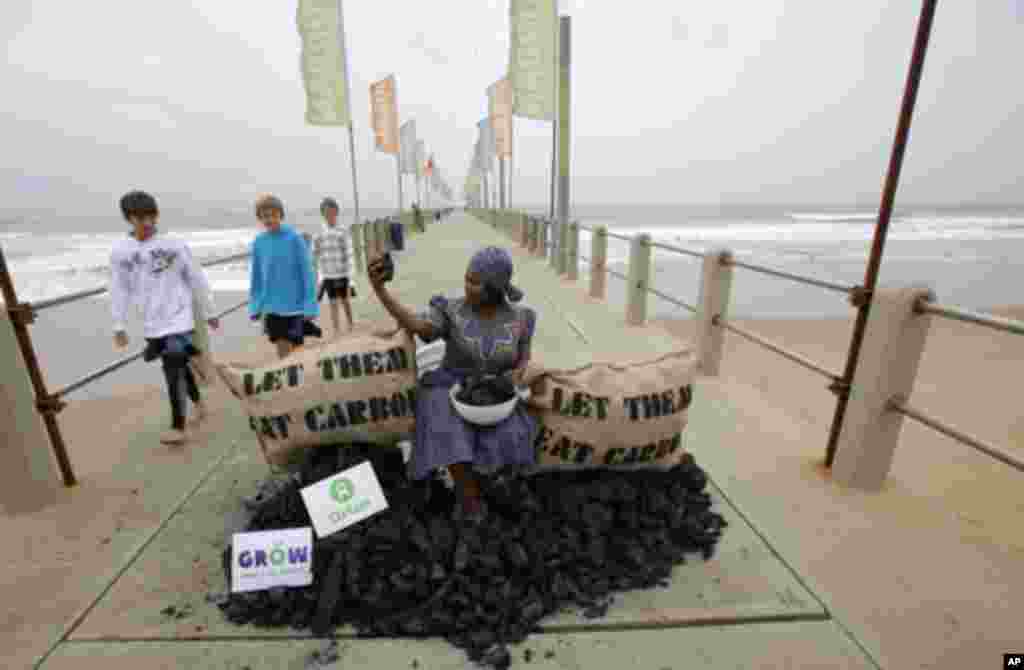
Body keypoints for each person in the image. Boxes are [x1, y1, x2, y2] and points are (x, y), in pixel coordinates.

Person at [367, 246, 538, 522]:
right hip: (450, 383)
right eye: (466, 278)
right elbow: (420, 327)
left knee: (513, 430)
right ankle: (468, 499)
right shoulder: (450, 310)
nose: (466, 286)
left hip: (496, 394)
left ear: (495, 287)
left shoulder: (523, 318)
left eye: (474, 282)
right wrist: (382, 292)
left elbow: (523, 359)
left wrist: (515, 377)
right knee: (442, 418)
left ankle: (497, 485)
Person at [110, 190, 219, 446]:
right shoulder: (121, 251)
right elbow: (119, 288)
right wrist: (118, 324)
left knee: (172, 366)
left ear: (156, 215)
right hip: (152, 322)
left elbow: (195, 277)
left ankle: (177, 427)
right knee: (178, 366)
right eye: (139, 218)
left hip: (180, 318)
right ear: (129, 219)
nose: (147, 223)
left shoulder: (173, 244)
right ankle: (199, 402)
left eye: (151, 217)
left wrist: (209, 310)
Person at [248, 194, 318, 360]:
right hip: (272, 308)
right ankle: (289, 386)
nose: (269, 219)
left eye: (273, 215)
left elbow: (307, 273)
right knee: (282, 351)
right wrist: (255, 306)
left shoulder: (294, 238)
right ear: (260, 218)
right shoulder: (259, 242)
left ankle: (301, 384)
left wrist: (310, 305)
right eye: (264, 216)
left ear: (281, 214)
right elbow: (256, 277)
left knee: (297, 352)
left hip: (295, 307)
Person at [311, 197, 354, 337]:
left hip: (342, 273)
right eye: (325, 212)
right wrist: (316, 274)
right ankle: (336, 330)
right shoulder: (319, 232)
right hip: (328, 274)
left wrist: (350, 277)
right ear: (322, 214)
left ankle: (350, 323)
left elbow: (348, 252)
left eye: (331, 211)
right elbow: (315, 252)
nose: (329, 214)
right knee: (333, 303)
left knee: (345, 301)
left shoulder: (343, 230)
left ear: (336, 212)